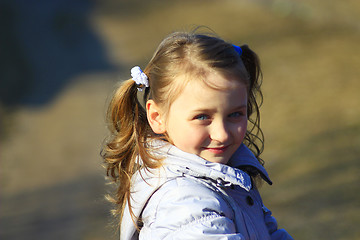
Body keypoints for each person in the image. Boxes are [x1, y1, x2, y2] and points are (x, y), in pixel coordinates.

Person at [102, 29, 294, 240]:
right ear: (157, 117)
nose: (221, 134)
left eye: (235, 114)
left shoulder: (227, 176)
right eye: (202, 117)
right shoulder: (183, 201)